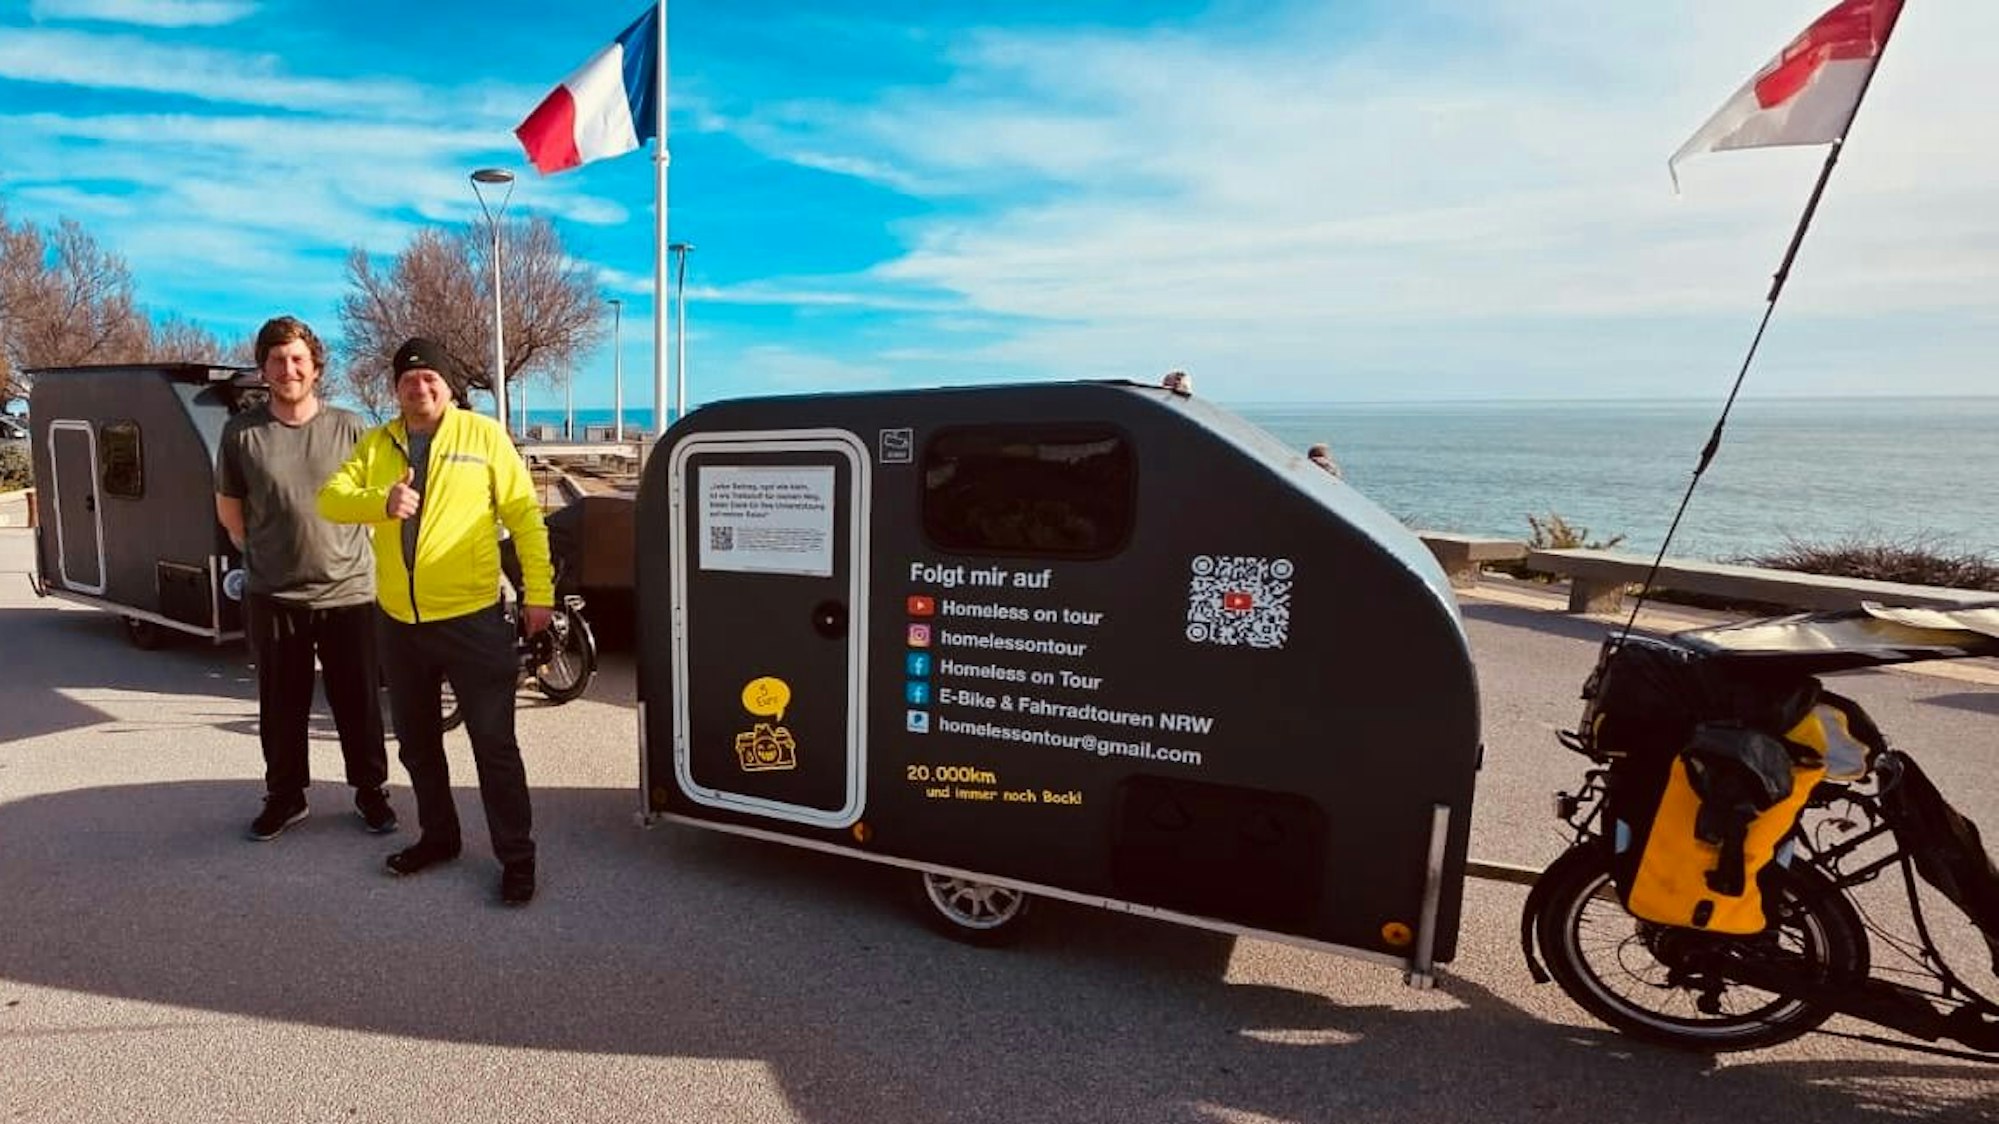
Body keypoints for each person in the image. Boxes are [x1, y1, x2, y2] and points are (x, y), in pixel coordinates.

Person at [318, 337, 554, 906]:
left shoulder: (484, 436)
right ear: (395, 389)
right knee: (418, 745)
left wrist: (538, 592)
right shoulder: (379, 443)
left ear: (448, 386)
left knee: (493, 744)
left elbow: (524, 516)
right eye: (407, 380)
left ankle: (517, 858)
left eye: (430, 379)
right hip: (400, 623)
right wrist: (382, 501)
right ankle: (439, 837)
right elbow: (330, 499)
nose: (419, 388)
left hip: (472, 618)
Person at [215, 315, 395, 842]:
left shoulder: (352, 427)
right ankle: (286, 797)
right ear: (263, 370)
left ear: (316, 368)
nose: (288, 368)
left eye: (298, 359)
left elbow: (379, 502)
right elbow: (231, 514)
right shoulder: (241, 434)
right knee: (281, 703)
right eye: (277, 360)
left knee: (357, 700)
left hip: (350, 592)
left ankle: (371, 793)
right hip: (274, 594)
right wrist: (270, 554)